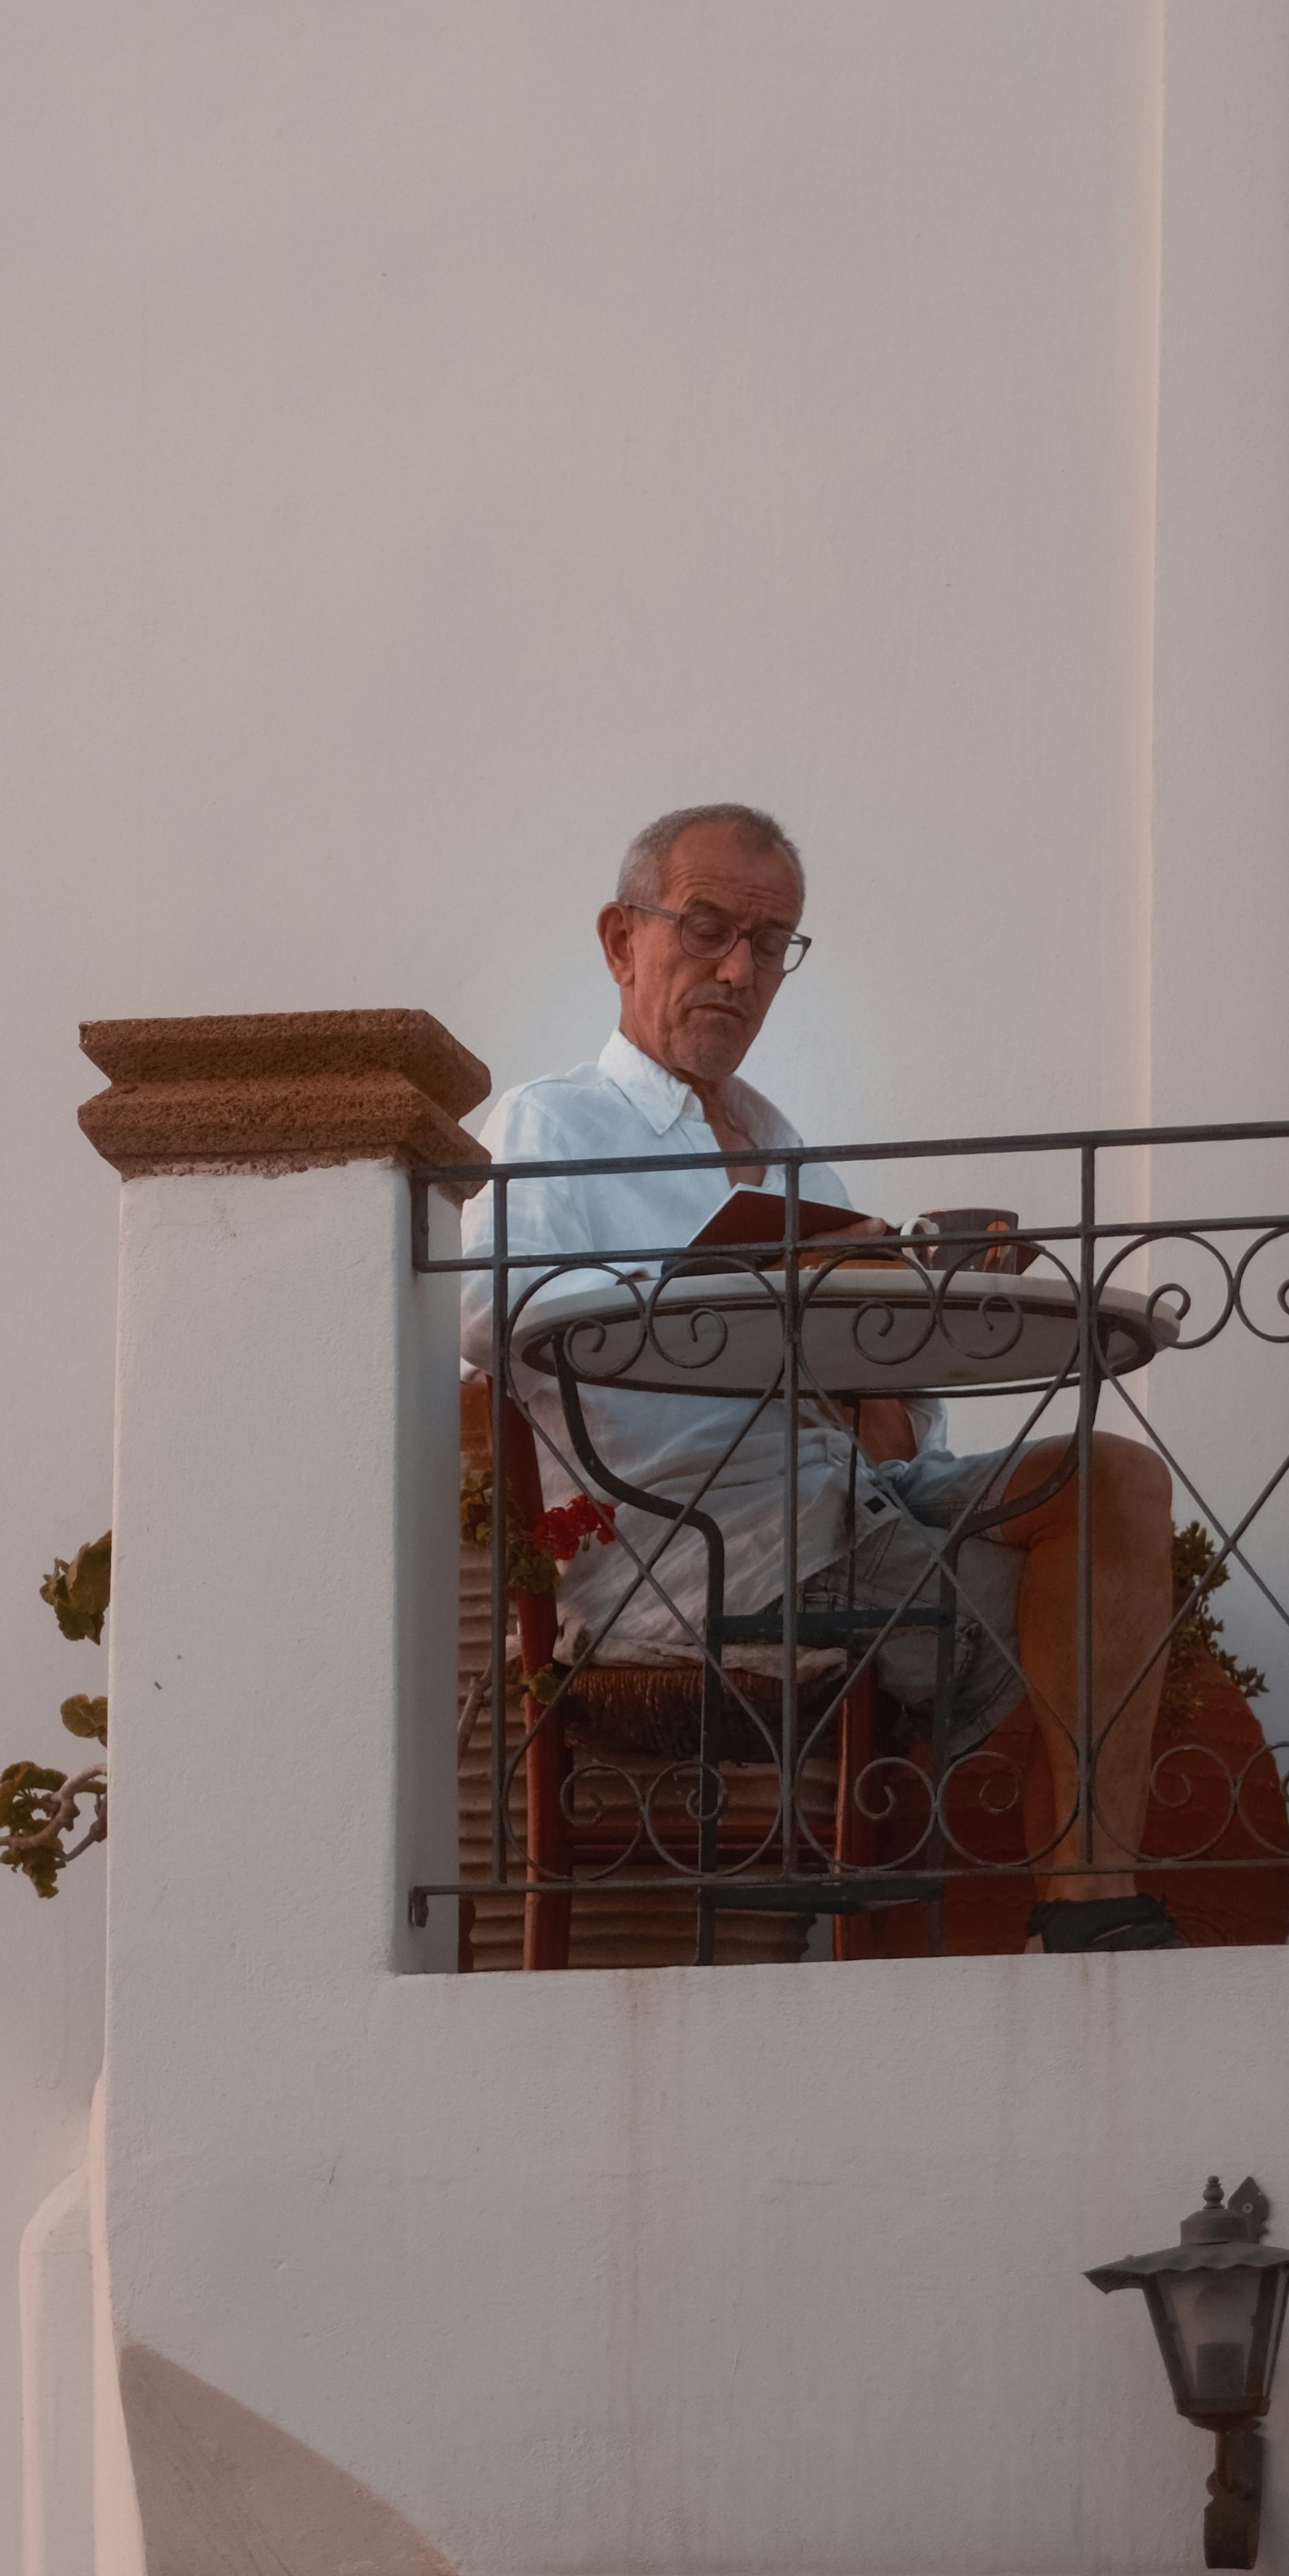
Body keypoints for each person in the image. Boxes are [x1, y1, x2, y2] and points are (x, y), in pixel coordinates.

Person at [467, 798, 1184, 1947]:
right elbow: (498, 1315)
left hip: (850, 1508)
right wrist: (752, 1288)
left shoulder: (785, 1144)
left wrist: (888, 1352)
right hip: (696, 1555)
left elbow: (900, 1425)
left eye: (769, 944)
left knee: (1113, 1480)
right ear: (620, 939)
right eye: (704, 929)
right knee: (1080, 1613)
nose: (737, 969)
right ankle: (1072, 1909)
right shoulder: (550, 1126)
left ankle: (1087, 1906)